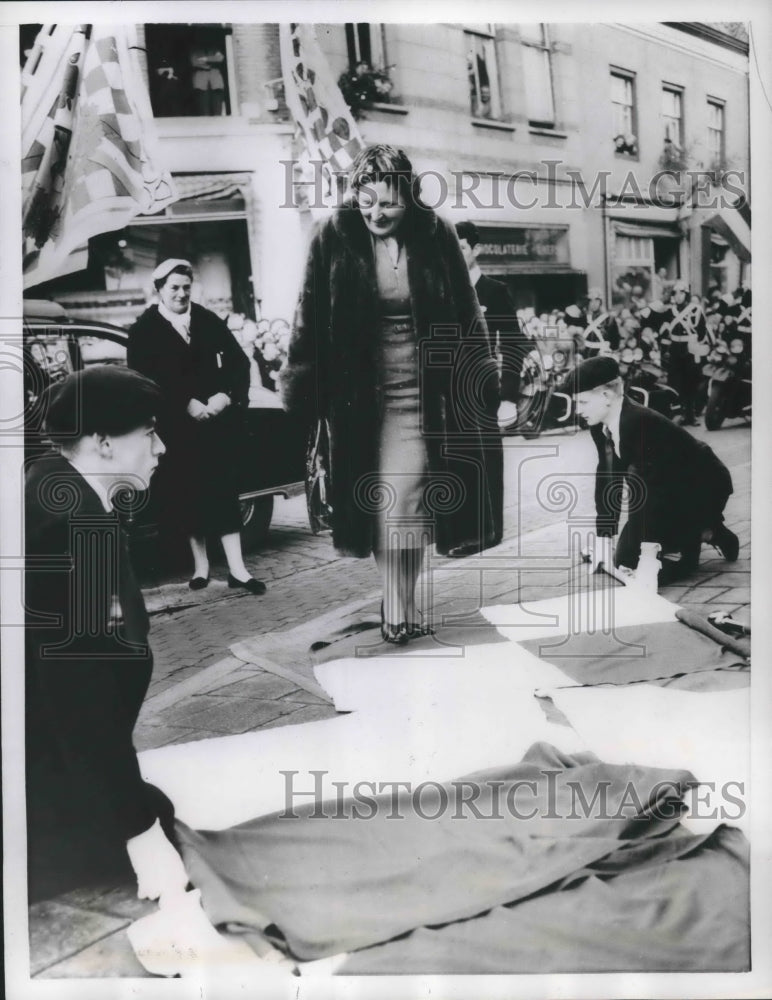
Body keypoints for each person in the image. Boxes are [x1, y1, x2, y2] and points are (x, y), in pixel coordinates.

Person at [281, 144, 497, 644]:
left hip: (428, 395)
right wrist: (304, 389)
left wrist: (479, 376)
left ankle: (404, 603)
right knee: (386, 504)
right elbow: (307, 318)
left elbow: (467, 314)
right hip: (360, 401)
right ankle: (394, 604)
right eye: (366, 199)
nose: (376, 212)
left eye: (388, 201)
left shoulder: (437, 233)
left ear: (410, 198)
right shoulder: (331, 237)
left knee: (413, 503)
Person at [25, 366, 189, 902]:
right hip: (35, 769)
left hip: (40, 751)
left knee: (155, 804)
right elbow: (81, 698)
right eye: (148, 432)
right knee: (156, 819)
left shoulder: (53, 487)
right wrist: (141, 838)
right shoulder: (75, 527)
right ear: (102, 443)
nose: (160, 447)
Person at [128, 259, 265, 593]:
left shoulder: (206, 319)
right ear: (159, 290)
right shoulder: (144, 330)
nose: (181, 293)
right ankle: (201, 568)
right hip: (177, 429)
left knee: (223, 493)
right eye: (174, 287)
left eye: (186, 287)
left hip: (216, 426)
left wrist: (226, 395)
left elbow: (238, 362)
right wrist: (183, 403)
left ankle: (238, 569)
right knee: (188, 495)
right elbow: (143, 379)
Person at [564, 356, 739, 585]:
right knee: (624, 560)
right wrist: (604, 540)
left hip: (703, 488)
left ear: (606, 396)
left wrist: (649, 554)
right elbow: (608, 478)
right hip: (666, 488)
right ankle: (689, 534)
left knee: (643, 566)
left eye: (582, 402)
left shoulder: (640, 422)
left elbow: (651, 489)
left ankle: (709, 531)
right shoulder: (599, 424)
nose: (578, 410)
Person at [661, 280, 709, 426]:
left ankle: (691, 414)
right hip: (675, 348)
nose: (678, 296)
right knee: (677, 382)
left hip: (690, 349)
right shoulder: (669, 311)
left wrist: (694, 342)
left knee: (691, 381)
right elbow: (664, 332)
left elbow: (702, 332)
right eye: (675, 293)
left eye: (681, 293)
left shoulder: (696, 309)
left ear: (686, 294)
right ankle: (681, 412)